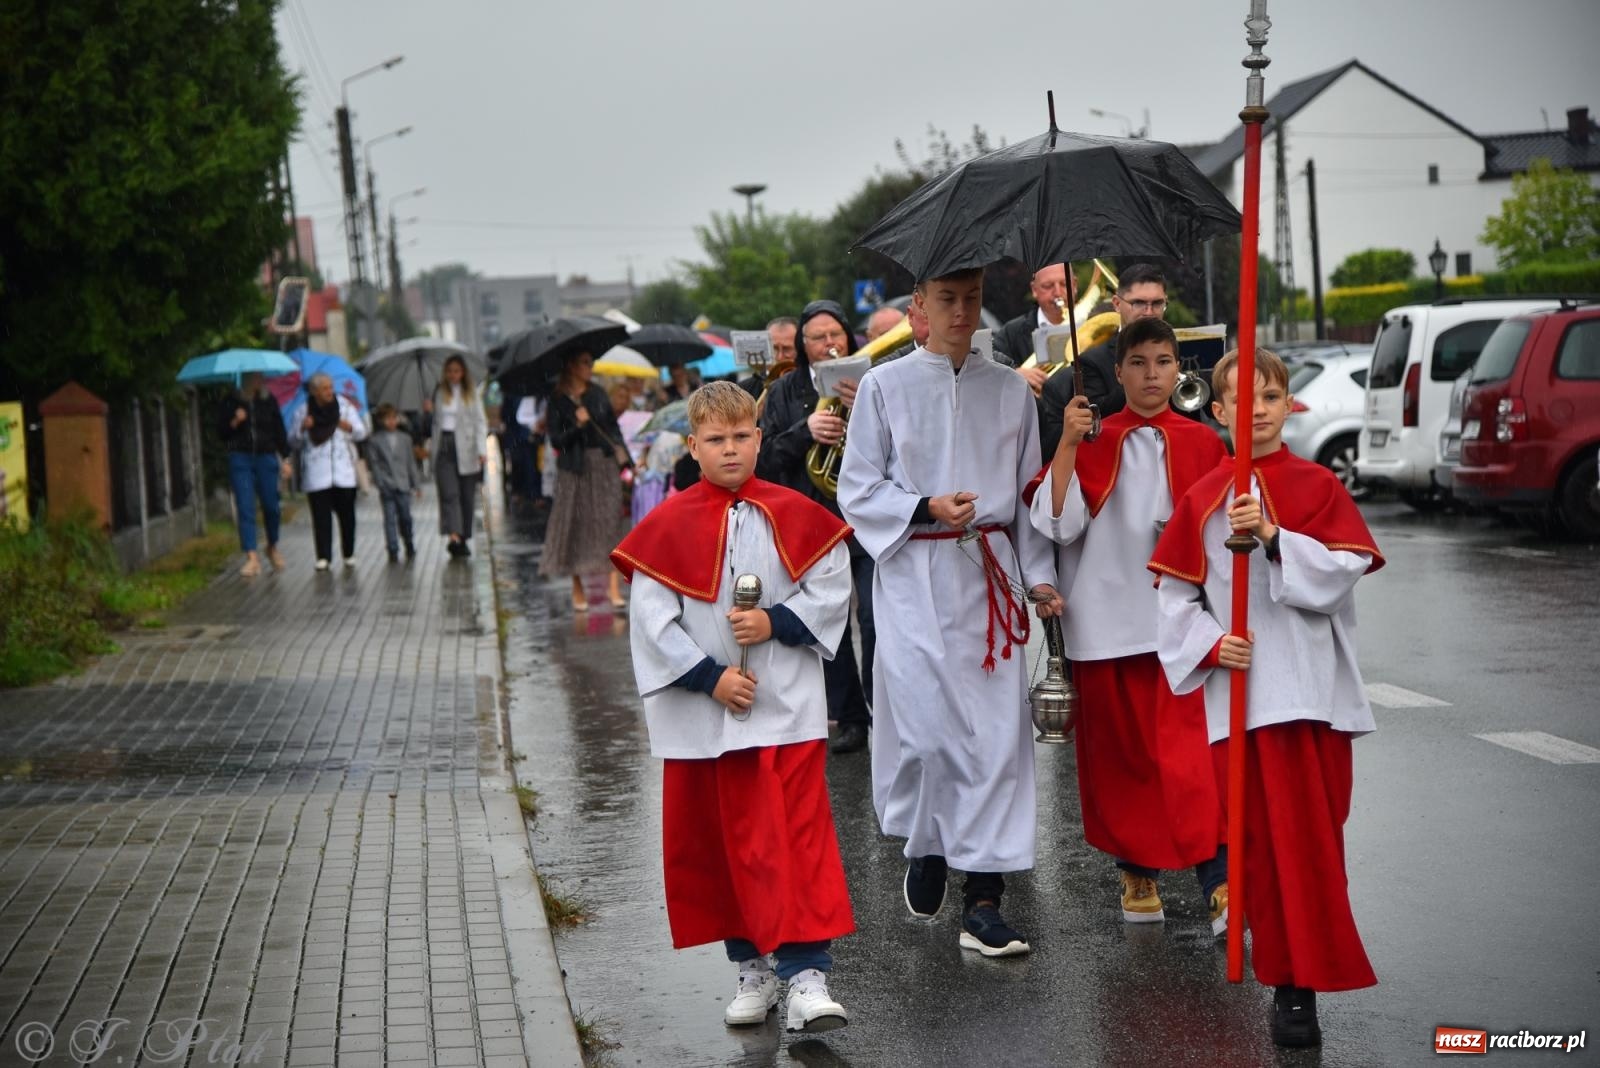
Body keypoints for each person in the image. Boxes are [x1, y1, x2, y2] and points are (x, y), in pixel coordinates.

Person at [1150, 348, 1383, 1049]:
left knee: (1313, 849)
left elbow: (1342, 572)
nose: (1254, 409)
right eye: (1238, 399)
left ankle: (1306, 976)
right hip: (1241, 707)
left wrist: (1278, 540)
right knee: (1262, 854)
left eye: (1270, 397)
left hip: (1310, 697)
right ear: (1215, 410)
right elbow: (1173, 601)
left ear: (1289, 406)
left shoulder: (1317, 486)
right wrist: (1211, 644)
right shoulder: (1202, 499)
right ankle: (1288, 988)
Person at [609, 381, 854, 1033]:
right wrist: (712, 678)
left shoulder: (793, 510)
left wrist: (775, 623)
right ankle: (751, 966)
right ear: (693, 446)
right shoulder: (666, 524)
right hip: (708, 720)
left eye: (742, 436)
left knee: (796, 840)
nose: (730, 449)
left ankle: (806, 975)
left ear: (757, 437)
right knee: (728, 849)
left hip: (787, 711)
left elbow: (831, 586)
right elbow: (653, 623)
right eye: (715, 440)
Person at [836, 266, 1059, 956]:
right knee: (927, 728)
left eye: (971, 299)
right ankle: (928, 842)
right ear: (920, 308)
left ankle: (985, 900)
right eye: (947, 300)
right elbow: (858, 487)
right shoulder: (883, 386)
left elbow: (1026, 495)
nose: (961, 312)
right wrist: (924, 505)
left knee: (996, 735)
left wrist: (1041, 578)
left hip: (988, 574)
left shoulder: (1010, 392)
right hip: (914, 572)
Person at [1024, 318, 1228, 932]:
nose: (1151, 375)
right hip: (1107, 622)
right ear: (1117, 371)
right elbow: (1057, 524)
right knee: (1123, 762)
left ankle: (1217, 877)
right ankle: (1136, 871)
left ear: (1178, 368)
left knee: (1193, 757)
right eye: (1138, 363)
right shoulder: (1094, 438)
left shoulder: (1203, 443)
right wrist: (1066, 444)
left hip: (1180, 624)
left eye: (1163, 362)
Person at [757, 300, 874, 755]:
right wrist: (805, 430)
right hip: (811, 524)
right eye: (818, 338)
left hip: (864, 521)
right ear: (804, 347)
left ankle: (883, 708)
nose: (829, 345)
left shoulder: (872, 381)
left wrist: (862, 409)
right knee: (830, 626)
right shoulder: (784, 391)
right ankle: (849, 718)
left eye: (836, 336)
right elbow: (765, 461)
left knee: (875, 619)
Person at [1039, 263, 1170, 457]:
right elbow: (1097, 421)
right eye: (1139, 303)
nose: (1149, 312)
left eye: (1157, 303)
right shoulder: (1091, 361)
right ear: (1117, 304)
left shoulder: (1179, 352)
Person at [540, 349, 630, 611]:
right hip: (574, 469)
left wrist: (625, 459)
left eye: (591, 362)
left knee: (609, 522)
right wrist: (577, 426)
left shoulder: (598, 394)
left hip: (603, 464)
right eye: (585, 362)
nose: (590, 367)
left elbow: (612, 428)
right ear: (571, 366)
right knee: (575, 525)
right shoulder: (557, 400)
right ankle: (577, 587)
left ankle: (613, 587)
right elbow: (556, 440)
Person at [290, 372, 368, 570]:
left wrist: (348, 427)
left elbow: (361, 432)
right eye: (325, 388)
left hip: (343, 472)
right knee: (321, 517)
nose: (329, 392)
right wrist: (302, 428)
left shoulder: (344, 406)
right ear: (314, 391)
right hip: (317, 472)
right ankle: (323, 556)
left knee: (347, 516)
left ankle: (349, 553)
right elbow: (293, 441)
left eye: (331, 387)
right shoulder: (304, 410)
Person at [219, 372, 292, 576]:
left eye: (261, 377)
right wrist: (235, 420)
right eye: (255, 377)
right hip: (240, 457)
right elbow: (221, 432)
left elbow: (279, 431)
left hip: (266, 457)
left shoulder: (269, 401)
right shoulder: (230, 401)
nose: (259, 381)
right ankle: (252, 556)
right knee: (245, 506)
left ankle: (272, 545)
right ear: (246, 379)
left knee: (272, 506)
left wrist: (285, 458)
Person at [427, 354, 488, 558]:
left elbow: (480, 422)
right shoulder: (438, 392)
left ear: (463, 373)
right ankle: (454, 535)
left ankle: (463, 537)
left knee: (466, 496)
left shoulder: (470, 394)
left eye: (457, 371)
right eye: (450, 371)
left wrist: (482, 450)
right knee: (449, 494)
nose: (453, 375)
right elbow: (434, 423)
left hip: (467, 447)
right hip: (444, 446)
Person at [994, 263, 1077, 399]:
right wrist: (1014, 373)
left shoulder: (1092, 322)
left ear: (1075, 285)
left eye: (1064, 284)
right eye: (1048, 286)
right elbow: (988, 360)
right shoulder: (1013, 331)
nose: (1057, 293)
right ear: (1034, 290)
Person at [368, 403, 422, 562]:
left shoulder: (405, 439)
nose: (391, 422)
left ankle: (409, 541)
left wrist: (416, 484)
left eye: (394, 418)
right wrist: (380, 482)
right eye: (387, 419)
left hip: (403, 484)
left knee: (406, 516)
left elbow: (410, 463)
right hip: (387, 484)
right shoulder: (375, 440)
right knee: (389, 518)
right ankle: (392, 547)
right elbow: (374, 463)